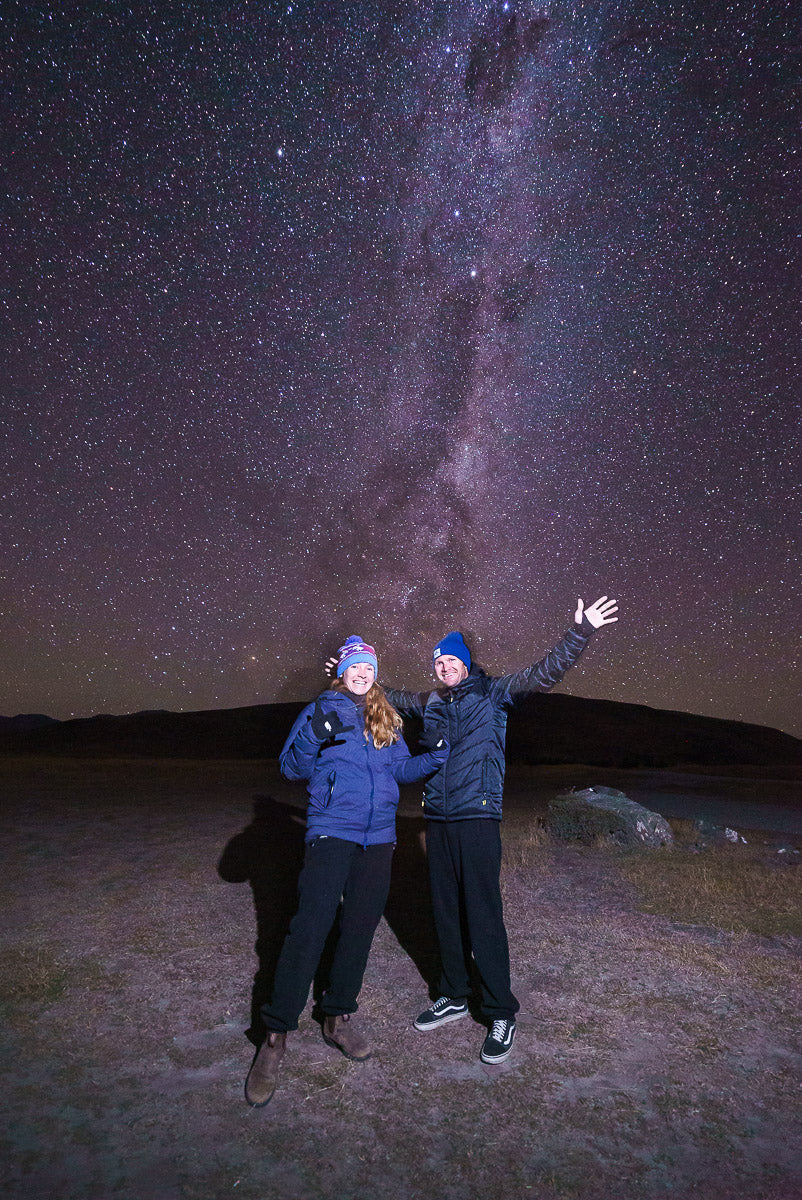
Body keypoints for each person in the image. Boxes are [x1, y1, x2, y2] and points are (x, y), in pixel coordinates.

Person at [333, 596, 618, 1066]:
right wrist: (353, 671)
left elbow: (543, 673)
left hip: (478, 816)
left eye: (452, 661)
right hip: (439, 819)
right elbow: (384, 695)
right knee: (444, 909)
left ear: (466, 665)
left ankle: (500, 1010)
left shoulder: (494, 694)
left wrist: (580, 632)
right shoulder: (432, 703)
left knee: (481, 912)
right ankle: (454, 993)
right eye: (439, 662)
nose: (445, 668)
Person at [244, 635, 449, 1108]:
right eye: (355, 665)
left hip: (378, 838)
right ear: (344, 671)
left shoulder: (385, 717)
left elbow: (400, 769)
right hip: (332, 830)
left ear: (375, 671)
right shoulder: (324, 706)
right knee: (309, 927)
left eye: (369, 666)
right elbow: (291, 766)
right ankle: (274, 1036)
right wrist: (318, 729)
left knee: (359, 927)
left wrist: (435, 755)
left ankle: (337, 1016)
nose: (362, 672)